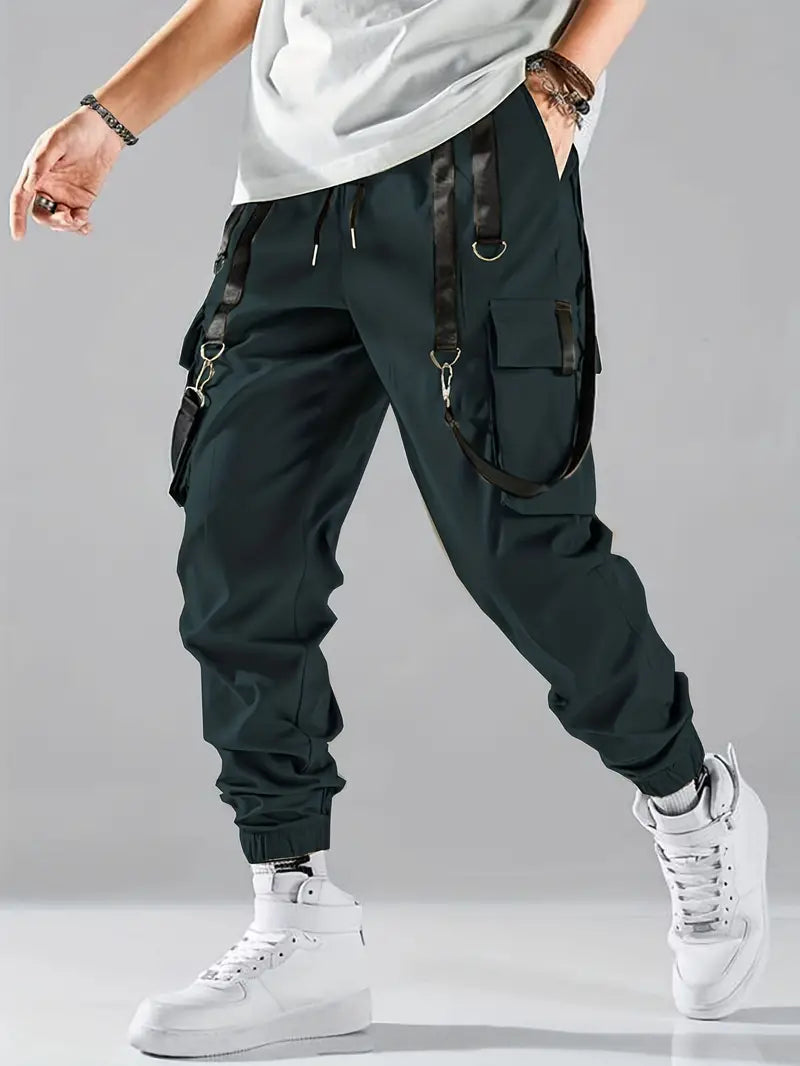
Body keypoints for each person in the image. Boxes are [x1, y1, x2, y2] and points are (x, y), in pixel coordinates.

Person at [9, 0, 770, 1057]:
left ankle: (690, 799)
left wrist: (565, 81)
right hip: (287, 190)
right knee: (237, 552)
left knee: (518, 547)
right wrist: (109, 119)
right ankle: (297, 918)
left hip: (476, 154)